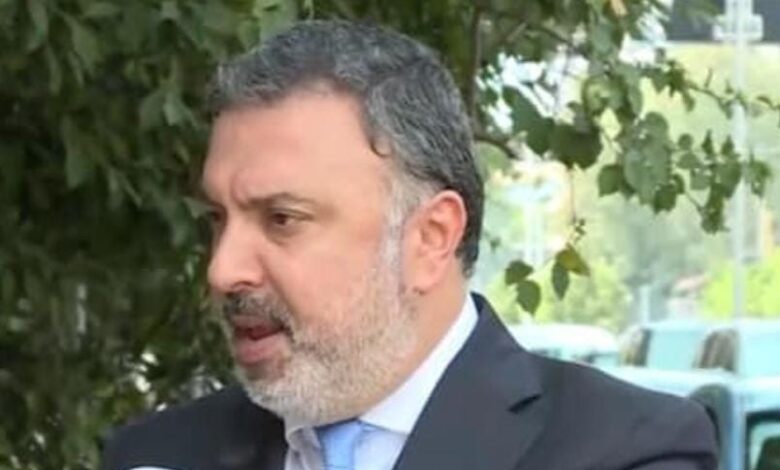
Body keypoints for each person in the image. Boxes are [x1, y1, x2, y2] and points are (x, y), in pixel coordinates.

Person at [102, 20, 717, 470]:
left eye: (282, 219)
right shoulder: (159, 454)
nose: (223, 269)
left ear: (430, 238)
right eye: (218, 219)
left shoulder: (624, 450)